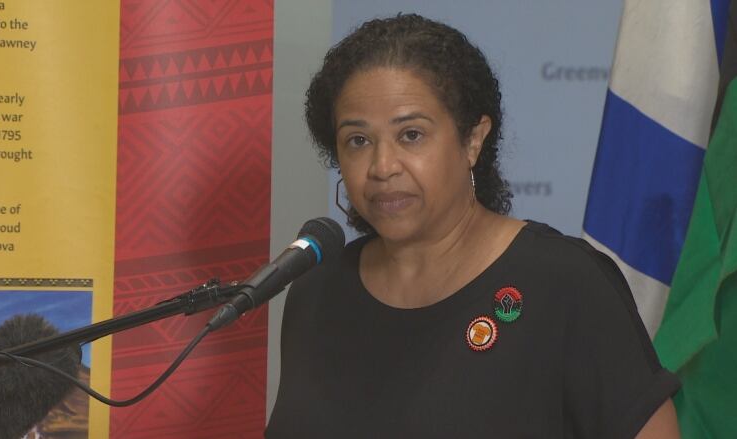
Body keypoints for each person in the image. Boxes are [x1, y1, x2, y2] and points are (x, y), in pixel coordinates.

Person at [266, 14, 680, 438]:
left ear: (472, 140)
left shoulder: (564, 283)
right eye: (358, 140)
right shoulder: (318, 289)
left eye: (411, 135)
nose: (382, 166)